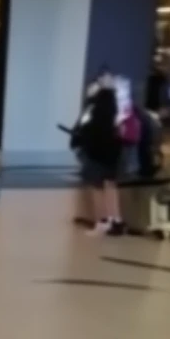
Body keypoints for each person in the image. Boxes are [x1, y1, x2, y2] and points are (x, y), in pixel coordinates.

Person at [72, 84, 124, 236]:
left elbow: (82, 135)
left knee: (97, 189)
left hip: (95, 158)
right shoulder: (116, 120)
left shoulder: (93, 118)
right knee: (111, 188)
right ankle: (116, 219)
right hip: (112, 160)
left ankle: (102, 221)